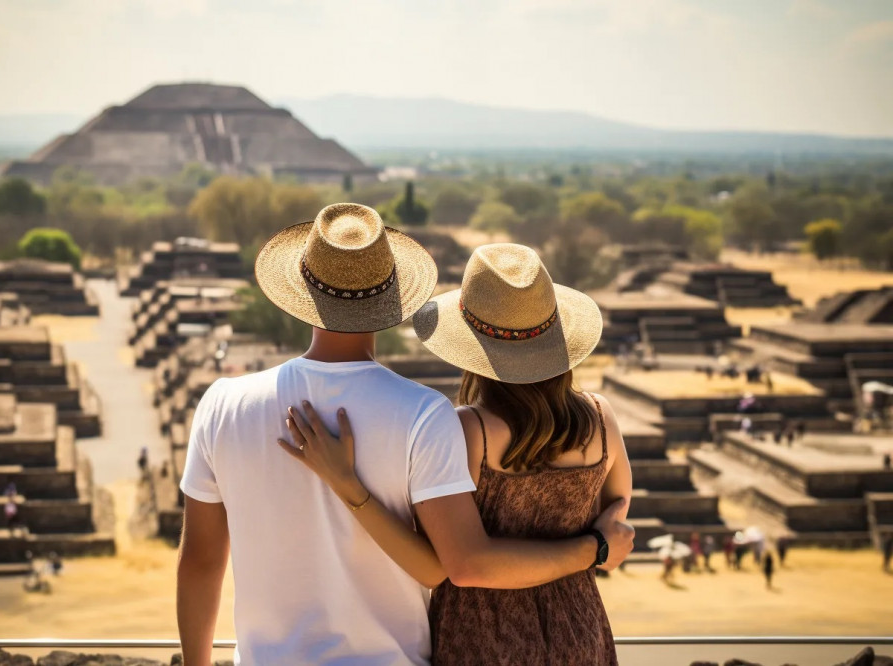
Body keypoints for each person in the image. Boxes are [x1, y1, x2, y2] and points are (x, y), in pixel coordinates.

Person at [176, 207, 635, 666]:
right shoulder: (423, 414)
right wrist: (593, 547)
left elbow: (200, 561)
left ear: (300, 288)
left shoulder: (222, 403)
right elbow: (442, 567)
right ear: (391, 294)